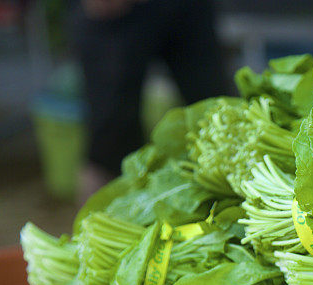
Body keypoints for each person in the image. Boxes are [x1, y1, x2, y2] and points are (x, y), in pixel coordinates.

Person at [73, 0, 225, 200]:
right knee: (109, 133)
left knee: (215, 114)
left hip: (187, 8)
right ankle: (95, 224)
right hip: (114, 12)